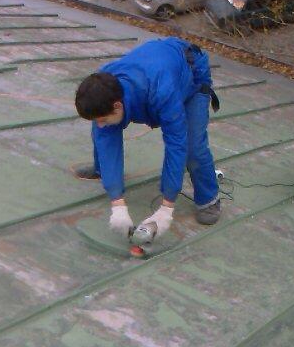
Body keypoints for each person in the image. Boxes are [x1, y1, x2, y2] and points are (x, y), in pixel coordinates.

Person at [74, 37, 221, 240]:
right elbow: (106, 140)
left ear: (118, 106)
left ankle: (208, 199)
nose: (98, 124)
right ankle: (102, 171)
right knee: (104, 129)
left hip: (191, 75)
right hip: (153, 71)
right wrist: (117, 203)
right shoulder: (103, 85)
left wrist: (166, 208)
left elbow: (176, 144)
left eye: (102, 118)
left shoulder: (163, 91)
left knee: (192, 145)